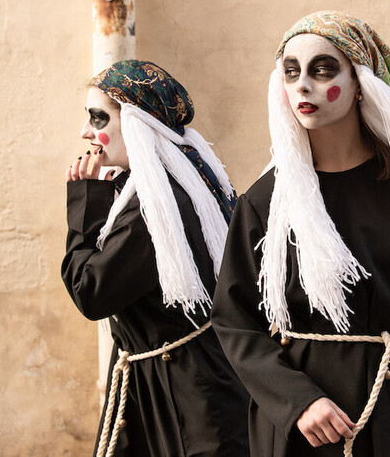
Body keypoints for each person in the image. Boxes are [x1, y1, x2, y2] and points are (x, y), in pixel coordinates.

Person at [211, 11, 390, 457]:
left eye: (322, 70)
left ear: (361, 81)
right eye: (291, 72)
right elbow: (234, 320)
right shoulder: (266, 202)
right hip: (300, 430)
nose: (302, 84)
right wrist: (297, 401)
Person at [62, 59, 249, 457]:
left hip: (180, 397)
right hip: (188, 383)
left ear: (136, 124)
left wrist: (85, 202)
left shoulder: (155, 209)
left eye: (98, 118)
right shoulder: (188, 181)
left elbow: (90, 291)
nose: (86, 133)